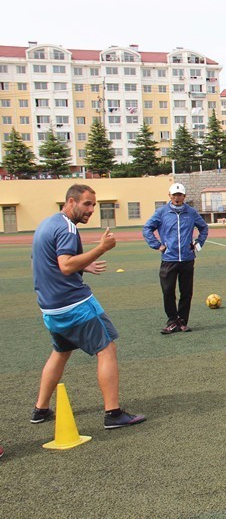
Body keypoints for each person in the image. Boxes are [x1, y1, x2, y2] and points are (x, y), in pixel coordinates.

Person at [31, 184, 145, 429]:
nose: (91, 210)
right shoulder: (67, 228)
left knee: (60, 352)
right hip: (74, 304)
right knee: (107, 349)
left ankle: (40, 409)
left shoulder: (46, 224)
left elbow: (46, 261)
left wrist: (84, 265)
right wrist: (100, 249)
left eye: (93, 204)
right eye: (86, 204)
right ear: (71, 202)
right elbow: (65, 265)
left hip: (50, 309)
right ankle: (113, 414)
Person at [142, 182, 208, 334]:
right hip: (169, 259)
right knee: (168, 291)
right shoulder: (162, 212)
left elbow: (203, 227)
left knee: (186, 292)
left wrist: (198, 244)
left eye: (180, 195)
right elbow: (147, 228)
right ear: (169, 195)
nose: (177, 198)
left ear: (184, 196)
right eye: (174, 195)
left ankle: (183, 321)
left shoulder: (191, 212)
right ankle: (172, 321)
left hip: (187, 259)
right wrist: (157, 245)